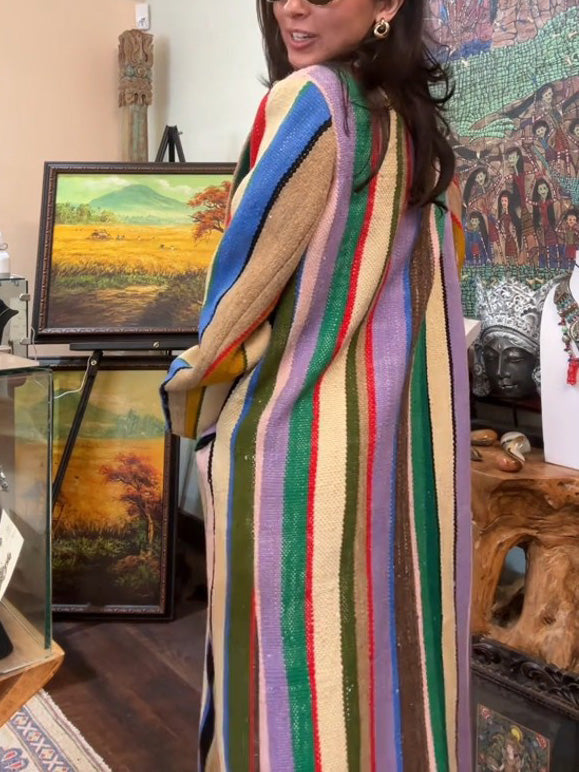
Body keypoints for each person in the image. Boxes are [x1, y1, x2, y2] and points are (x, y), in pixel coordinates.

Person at [161, 1, 472, 769]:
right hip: (398, 462)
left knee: (284, 697)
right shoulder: (417, 130)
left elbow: (240, 294)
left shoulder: (308, 103)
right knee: (389, 681)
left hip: (290, 464)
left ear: (387, 4)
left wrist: (186, 389)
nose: (292, 6)